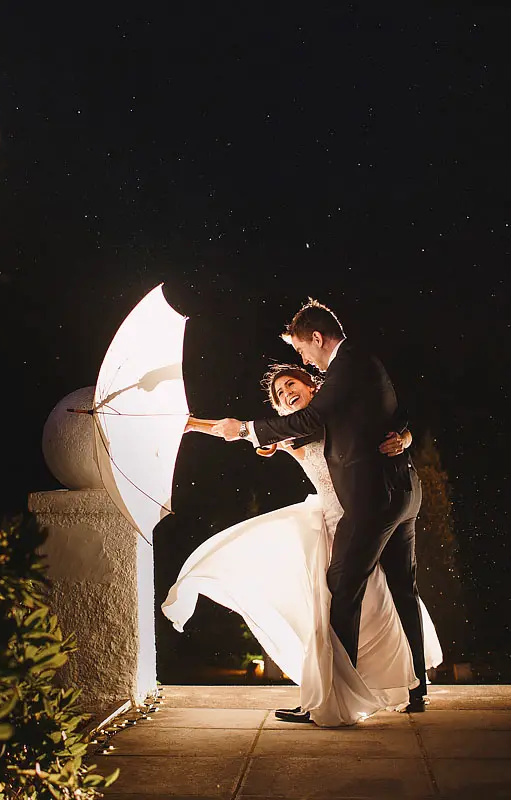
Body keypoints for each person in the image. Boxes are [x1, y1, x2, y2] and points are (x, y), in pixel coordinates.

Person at [166, 364, 442, 726]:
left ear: (312, 387)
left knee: (387, 595)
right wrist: (192, 424)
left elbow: (392, 420)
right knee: (347, 605)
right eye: (280, 395)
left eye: (290, 384)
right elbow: (236, 430)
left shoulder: (336, 412)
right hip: (333, 523)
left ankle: (360, 693)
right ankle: (342, 693)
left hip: (370, 513)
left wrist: (404, 439)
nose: (286, 394)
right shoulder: (291, 432)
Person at [211, 298, 430, 714]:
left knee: (342, 588)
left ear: (316, 337)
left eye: (301, 349)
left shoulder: (347, 365)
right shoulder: (361, 363)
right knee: (403, 588)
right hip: (402, 492)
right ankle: (416, 690)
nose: (304, 359)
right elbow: (397, 409)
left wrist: (245, 429)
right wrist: (404, 434)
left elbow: (312, 420)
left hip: (373, 498)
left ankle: (336, 700)